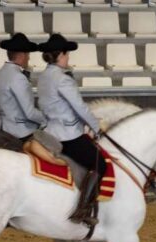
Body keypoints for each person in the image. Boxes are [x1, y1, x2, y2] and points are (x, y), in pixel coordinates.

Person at [37, 34, 106, 227]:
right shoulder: (63, 79)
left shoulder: (43, 76)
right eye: (67, 54)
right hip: (68, 136)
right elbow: (80, 107)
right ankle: (83, 211)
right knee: (100, 164)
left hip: (50, 132)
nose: (68, 59)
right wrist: (96, 126)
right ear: (60, 55)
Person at [0, 33, 65, 165]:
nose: (29, 58)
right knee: (58, 149)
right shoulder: (18, 77)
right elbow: (30, 113)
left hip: (4, 129)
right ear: (22, 55)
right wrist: (48, 119)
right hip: (21, 132)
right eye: (28, 54)